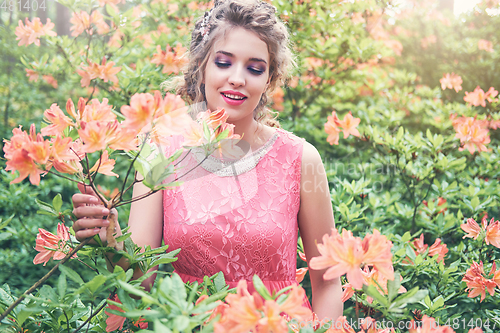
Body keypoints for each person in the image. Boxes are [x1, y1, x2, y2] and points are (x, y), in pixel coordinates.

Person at [72, 0, 342, 320]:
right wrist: (111, 241)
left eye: (255, 68)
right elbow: (141, 277)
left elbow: (327, 282)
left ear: (269, 79)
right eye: (224, 63)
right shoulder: (161, 150)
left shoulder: (300, 159)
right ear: (202, 67)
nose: (238, 78)